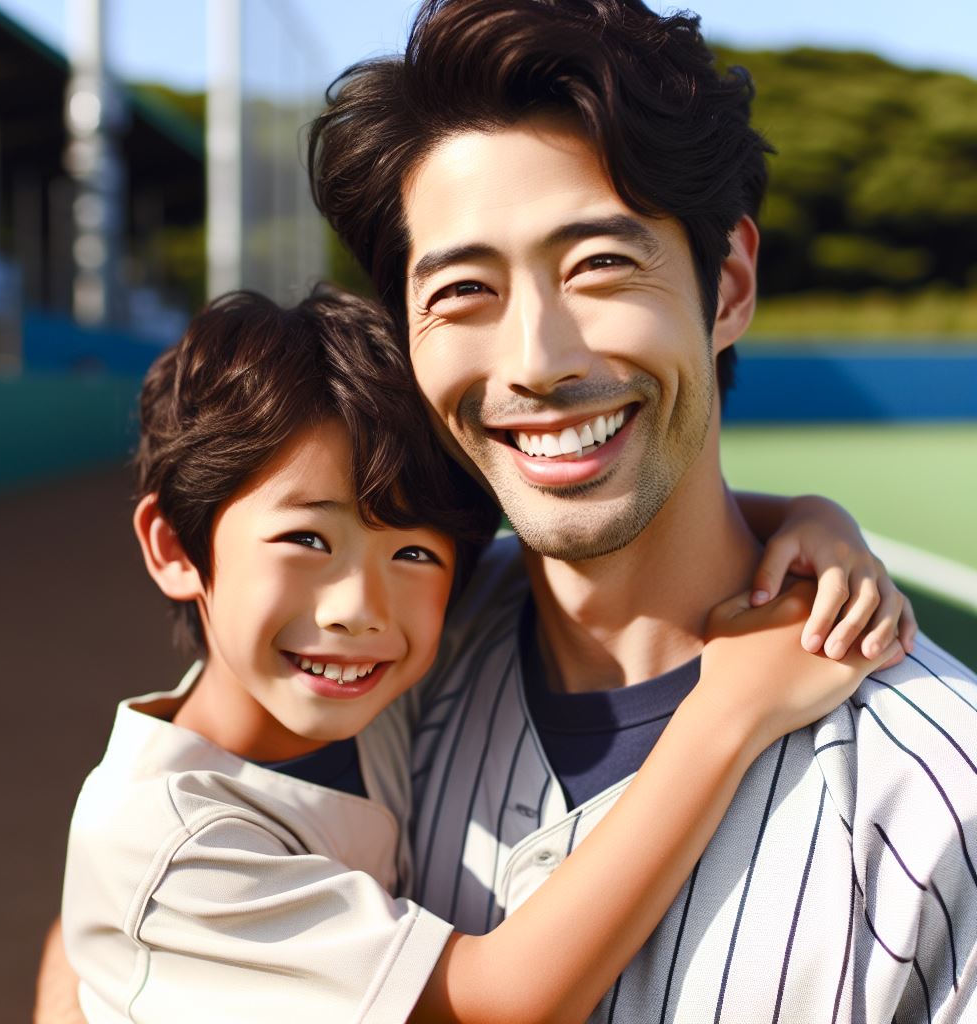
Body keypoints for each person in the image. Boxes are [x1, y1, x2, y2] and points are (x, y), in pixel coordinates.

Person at [304, 1, 977, 1020]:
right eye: (463, 290)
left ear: (729, 284)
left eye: (600, 265)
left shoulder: (939, 799)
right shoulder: (376, 661)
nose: (536, 360)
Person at [57, 287, 900, 1024]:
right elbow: (496, 1007)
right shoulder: (166, 843)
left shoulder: (405, 651)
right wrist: (727, 713)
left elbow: (606, 545)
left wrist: (810, 518)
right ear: (174, 547)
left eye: (414, 553)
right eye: (306, 537)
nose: (358, 609)